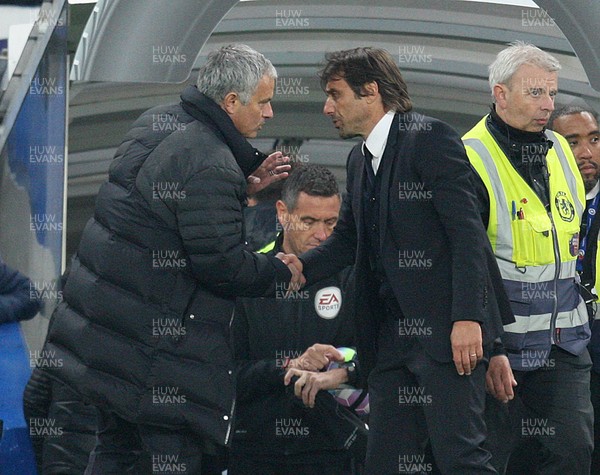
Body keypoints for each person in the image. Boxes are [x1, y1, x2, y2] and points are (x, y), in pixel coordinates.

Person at [41, 43, 303, 473]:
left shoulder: (157, 122)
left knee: (115, 454)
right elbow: (220, 264)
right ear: (231, 102)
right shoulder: (212, 162)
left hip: (109, 347)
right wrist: (277, 271)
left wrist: (239, 190)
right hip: (155, 361)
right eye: (264, 101)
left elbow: (162, 215)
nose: (270, 113)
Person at [279, 46, 512, 474]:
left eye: (335, 94)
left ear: (370, 91)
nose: (327, 107)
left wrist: (468, 320)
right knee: (384, 463)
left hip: (446, 337)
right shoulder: (358, 159)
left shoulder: (431, 138)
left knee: (461, 459)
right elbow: (349, 239)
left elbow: (467, 236)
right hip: (389, 343)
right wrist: (297, 268)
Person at [462, 42, 593, 474]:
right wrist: (490, 346)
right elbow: (465, 264)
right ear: (500, 94)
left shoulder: (558, 148)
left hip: (564, 344)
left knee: (572, 453)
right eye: (535, 93)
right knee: (502, 459)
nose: (548, 105)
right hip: (503, 348)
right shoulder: (469, 155)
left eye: (551, 94)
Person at [229, 164, 361, 475]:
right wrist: (287, 367)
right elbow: (224, 374)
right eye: (309, 221)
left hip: (332, 452)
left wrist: (340, 363)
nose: (322, 235)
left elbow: (375, 357)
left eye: (331, 222)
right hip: (256, 453)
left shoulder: (354, 278)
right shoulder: (249, 278)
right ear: (282, 213)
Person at [548, 105, 600, 473]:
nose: (587, 152)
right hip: (558, 342)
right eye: (573, 142)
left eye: (594, 139)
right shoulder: (539, 200)